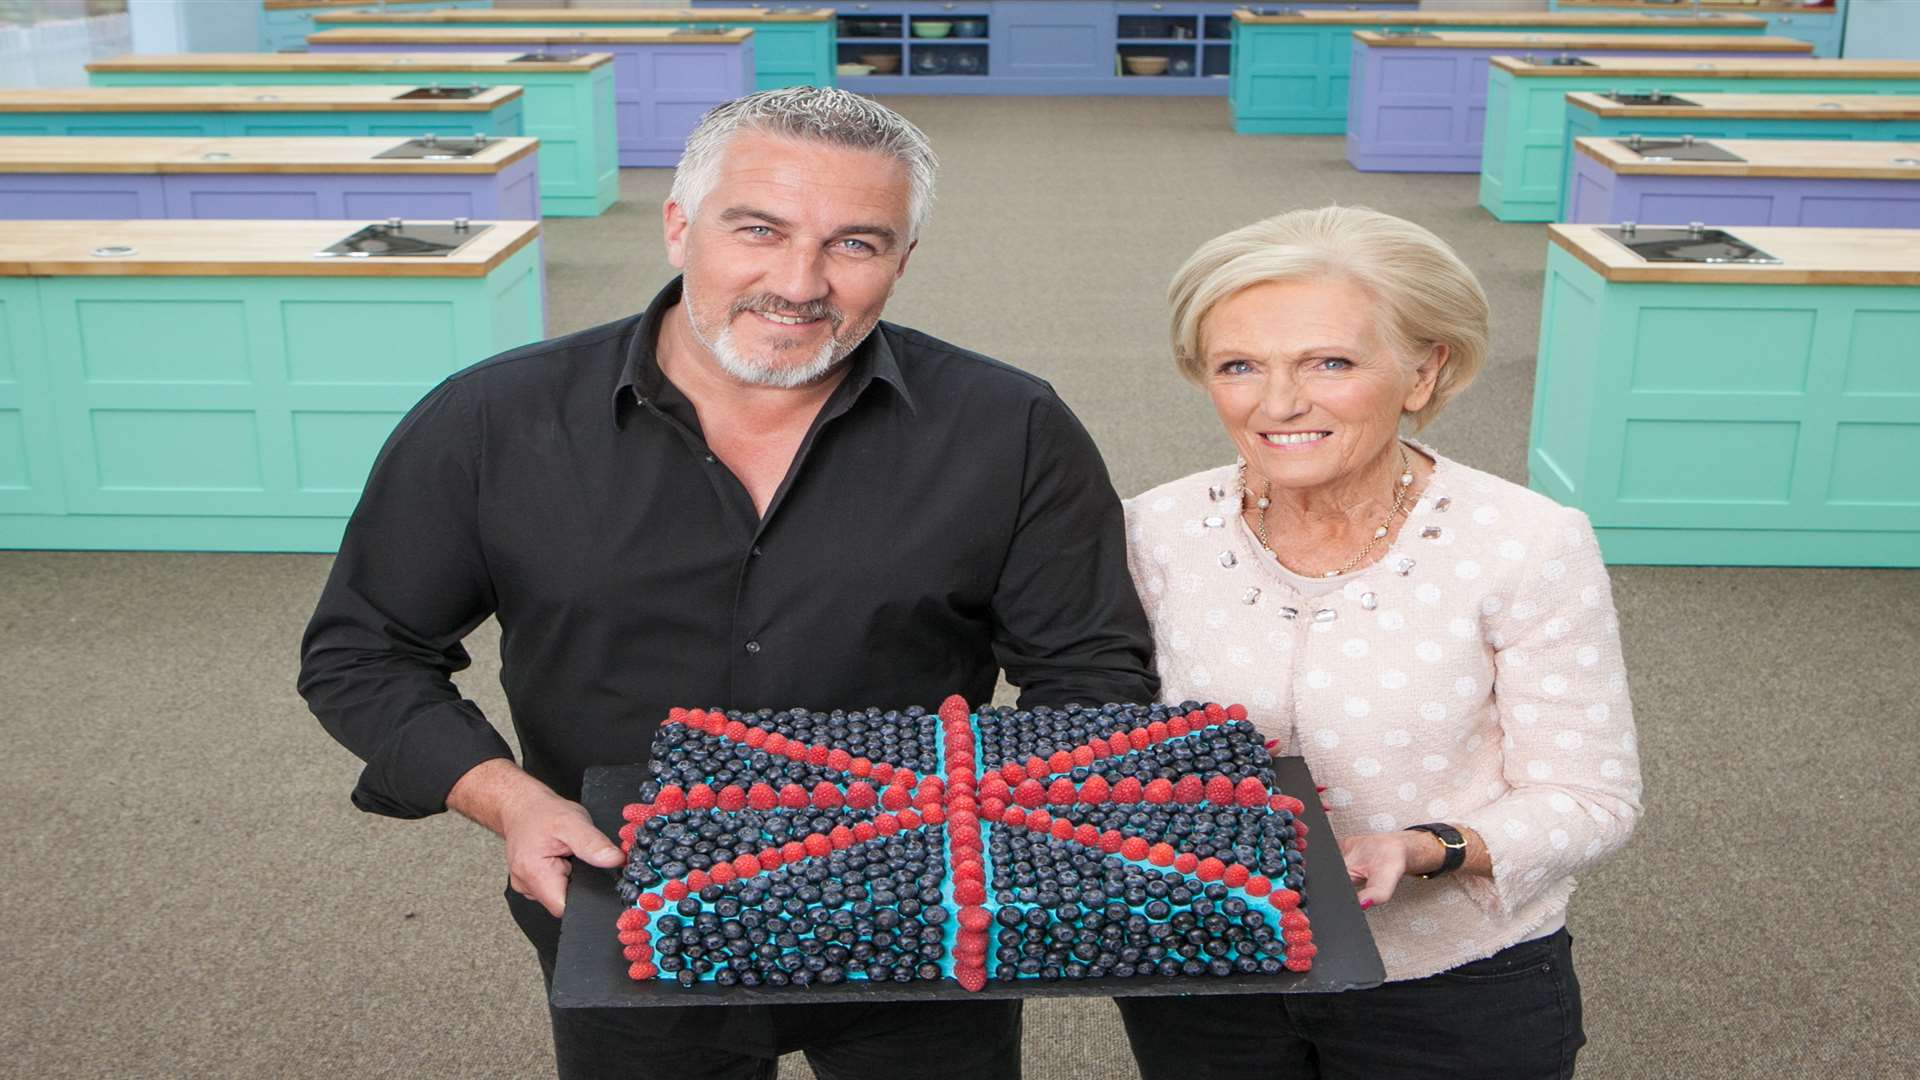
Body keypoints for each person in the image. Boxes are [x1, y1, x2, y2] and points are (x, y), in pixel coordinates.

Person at [297, 87, 1157, 1080]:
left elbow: (1089, 666)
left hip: (920, 920)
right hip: (623, 903)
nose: (799, 282)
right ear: (677, 227)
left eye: (856, 244)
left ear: (903, 260)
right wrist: (506, 799)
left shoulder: (1012, 428)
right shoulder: (493, 420)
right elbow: (364, 651)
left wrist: (1018, 835)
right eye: (759, 230)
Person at [1115, 206, 1642, 1080]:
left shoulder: (1526, 542)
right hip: (1208, 963)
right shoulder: (1151, 530)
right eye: (1239, 365)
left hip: (1450, 983)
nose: (1278, 403)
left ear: (1424, 371)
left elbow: (1592, 797)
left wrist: (1423, 847)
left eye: (1331, 362)